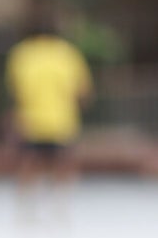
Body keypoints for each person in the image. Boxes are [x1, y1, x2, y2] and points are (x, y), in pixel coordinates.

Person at [5, 12, 93, 209]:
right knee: (63, 161)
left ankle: (27, 204)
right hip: (62, 119)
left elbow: (14, 90)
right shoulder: (67, 53)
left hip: (30, 119)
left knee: (28, 161)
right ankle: (60, 202)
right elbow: (83, 91)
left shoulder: (22, 53)